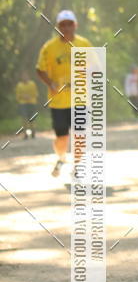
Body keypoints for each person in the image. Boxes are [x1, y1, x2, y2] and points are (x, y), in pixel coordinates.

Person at [36, 10, 92, 177]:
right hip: (58, 101)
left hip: (80, 99)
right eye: (63, 24)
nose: (66, 27)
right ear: (57, 27)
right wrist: (51, 83)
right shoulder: (49, 47)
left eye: (69, 24)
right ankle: (61, 158)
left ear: (75, 25)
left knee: (80, 134)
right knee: (62, 138)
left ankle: (77, 166)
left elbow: (95, 67)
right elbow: (40, 69)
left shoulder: (84, 44)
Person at [15, 70, 38, 139]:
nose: (25, 77)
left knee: (32, 119)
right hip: (23, 104)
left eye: (26, 76)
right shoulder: (19, 85)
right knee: (24, 119)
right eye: (23, 76)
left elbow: (35, 94)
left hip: (32, 103)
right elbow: (17, 96)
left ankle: (33, 132)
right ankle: (25, 133)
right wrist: (23, 96)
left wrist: (30, 97)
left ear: (28, 76)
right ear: (21, 77)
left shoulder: (32, 84)